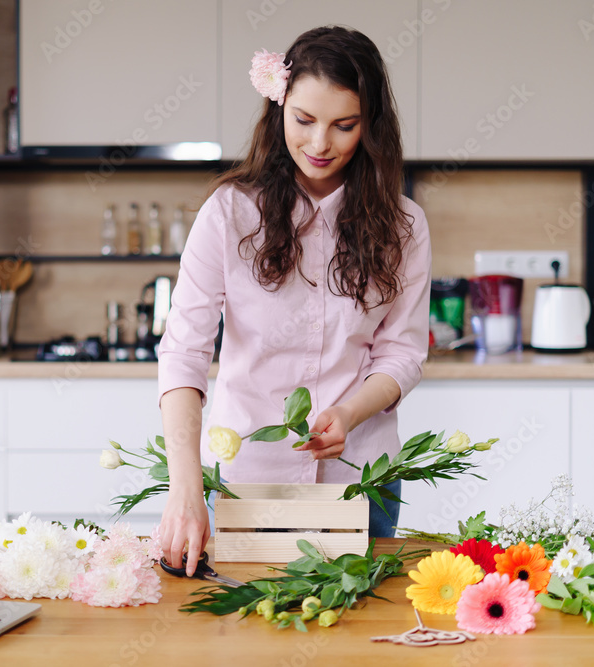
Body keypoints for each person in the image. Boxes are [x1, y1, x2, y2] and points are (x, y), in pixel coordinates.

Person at [156, 26, 431, 575]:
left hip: (361, 478)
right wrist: (184, 488)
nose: (320, 143)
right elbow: (184, 353)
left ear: (371, 125)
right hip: (246, 479)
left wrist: (349, 413)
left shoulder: (404, 225)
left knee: (361, 625)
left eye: (344, 125)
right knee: (239, 624)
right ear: (279, 108)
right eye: (304, 120)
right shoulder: (230, 213)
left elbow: (402, 354)